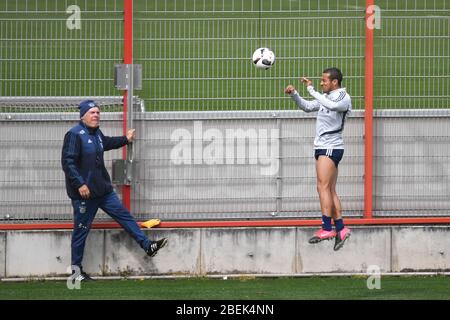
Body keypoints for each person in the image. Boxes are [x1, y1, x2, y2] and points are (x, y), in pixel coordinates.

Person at [61, 100, 167, 281]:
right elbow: (68, 162)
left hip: (103, 191)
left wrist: (125, 139)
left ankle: (147, 246)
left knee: (125, 216)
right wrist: (80, 184)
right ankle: (76, 273)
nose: (96, 115)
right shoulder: (74, 135)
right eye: (92, 112)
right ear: (83, 116)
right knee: (81, 232)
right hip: (85, 195)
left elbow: (107, 143)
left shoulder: (96, 134)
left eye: (98, 112)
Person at [284, 67, 351, 251]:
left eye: (324, 80)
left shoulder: (342, 98)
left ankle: (326, 228)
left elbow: (333, 107)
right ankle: (341, 229)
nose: (321, 83)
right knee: (329, 189)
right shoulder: (326, 98)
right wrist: (295, 94)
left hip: (330, 147)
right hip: (324, 147)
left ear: (335, 82)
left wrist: (312, 90)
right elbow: (307, 107)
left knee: (321, 187)